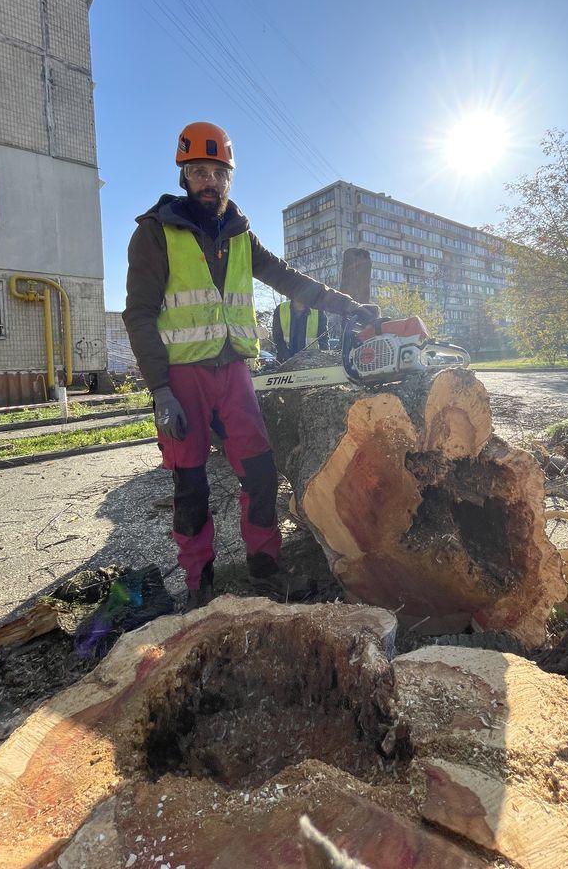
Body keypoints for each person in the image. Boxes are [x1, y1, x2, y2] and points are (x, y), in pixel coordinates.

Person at [123, 121, 379, 611]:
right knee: (190, 486)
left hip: (234, 374)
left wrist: (347, 305)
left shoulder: (239, 233)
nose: (210, 182)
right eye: (199, 172)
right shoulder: (155, 234)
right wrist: (160, 390)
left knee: (261, 473)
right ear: (183, 176)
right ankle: (201, 584)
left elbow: (289, 279)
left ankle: (265, 566)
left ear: (229, 178)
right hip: (181, 378)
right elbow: (138, 314)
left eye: (219, 173)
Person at [272, 298, 329, 363]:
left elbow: (323, 339)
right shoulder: (281, 309)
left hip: (311, 363)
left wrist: (325, 360)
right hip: (285, 363)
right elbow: (277, 337)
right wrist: (285, 356)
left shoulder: (318, 311)